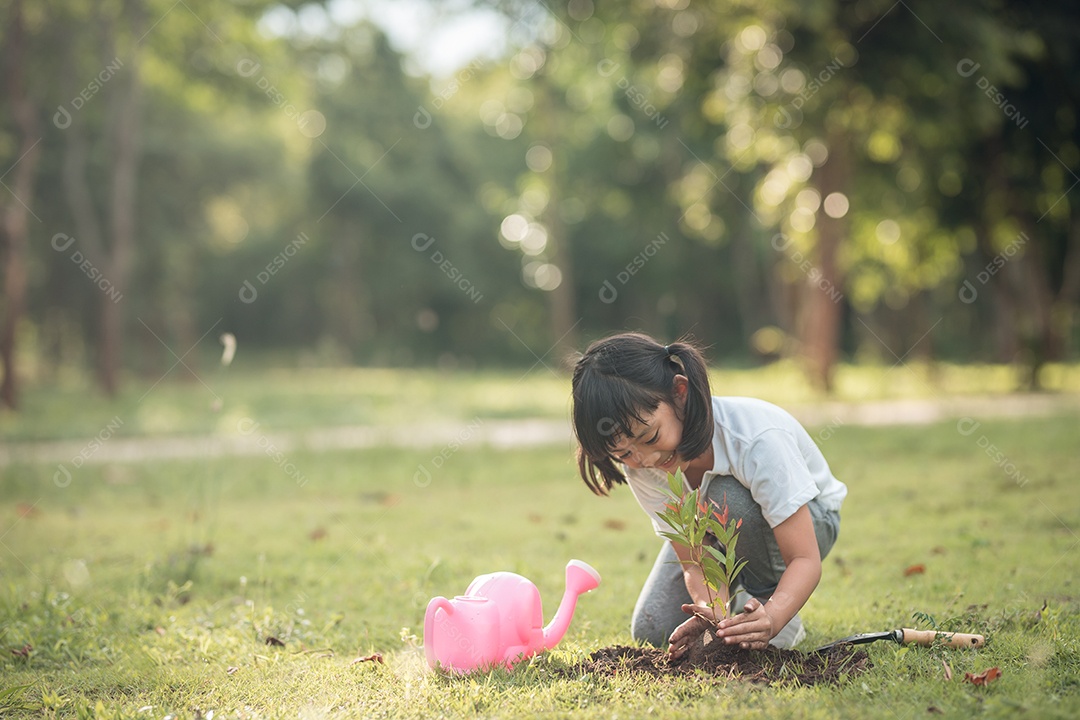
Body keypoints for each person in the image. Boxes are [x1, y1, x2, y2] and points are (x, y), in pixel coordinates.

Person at [570, 332, 846, 655]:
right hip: (717, 530)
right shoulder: (640, 467)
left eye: (651, 436)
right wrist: (712, 610)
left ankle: (769, 604)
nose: (646, 459)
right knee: (654, 627)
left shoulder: (755, 439)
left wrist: (772, 617)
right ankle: (742, 612)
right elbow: (693, 561)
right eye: (624, 453)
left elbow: (804, 559)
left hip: (810, 523)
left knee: (723, 496)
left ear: (680, 392)